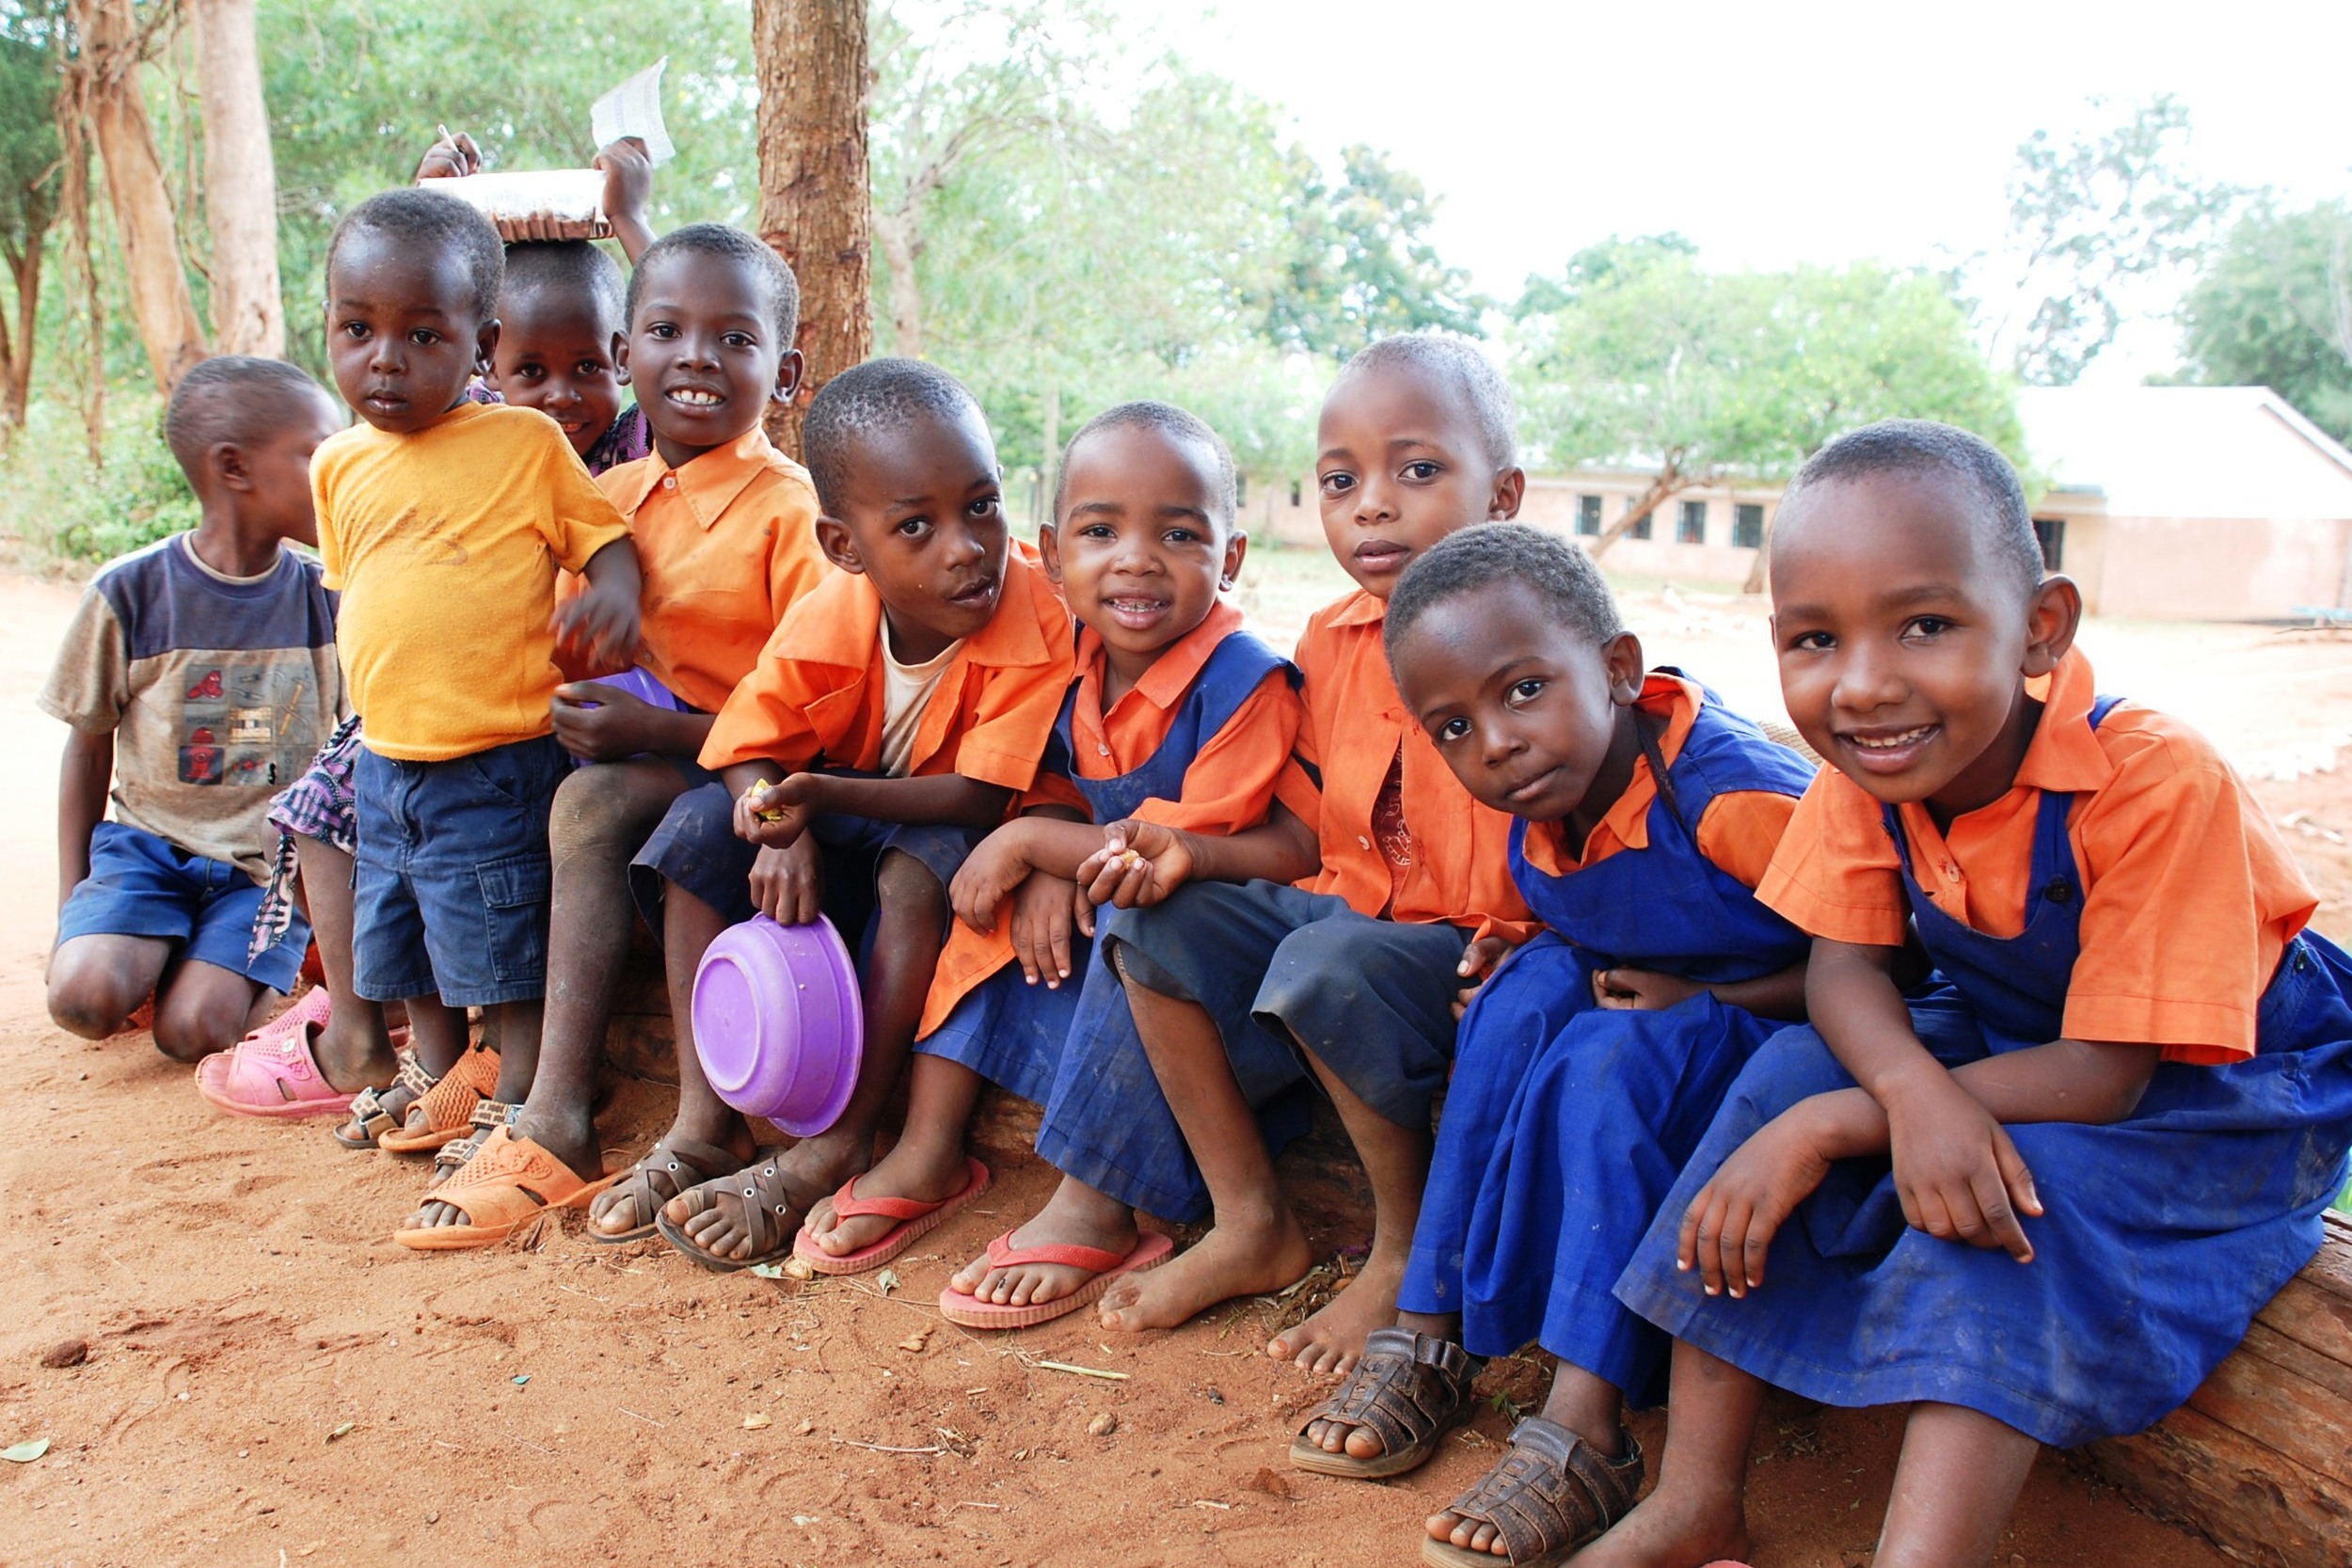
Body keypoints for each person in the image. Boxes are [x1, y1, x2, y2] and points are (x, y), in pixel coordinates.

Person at [1587, 420, 2352, 1568]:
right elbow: (1845, 964)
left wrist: (1856, 1116)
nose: (1863, 683)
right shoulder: (1874, 765)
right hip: (2020, 1033)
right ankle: (1697, 1492)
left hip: (2221, 1080)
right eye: (1814, 637)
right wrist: (1894, 1087)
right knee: (1781, 1070)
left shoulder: (2151, 780)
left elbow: (2108, 1070)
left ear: (2041, 627)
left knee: (2004, 1189)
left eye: (1926, 624)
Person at [1281, 525, 1816, 1566]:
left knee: (1610, 1059)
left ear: (1618, 667)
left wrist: (1708, 990)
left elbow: (1878, 962)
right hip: (1665, 1006)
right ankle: (1429, 1326)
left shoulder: (1738, 796)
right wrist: (1522, 945)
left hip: (1784, 1027)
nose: (1495, 742)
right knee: (1518, 997)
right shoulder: (1549, 796)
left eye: (1523, 690)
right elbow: (1595, 916)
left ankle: (1587, 1421)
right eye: (1452, 727)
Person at [1003, 335, 1535, 1371]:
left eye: (1417, 471)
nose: (1373, 504)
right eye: (1342, 481)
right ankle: (1252, 1220)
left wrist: (1538, 938)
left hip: (1471, 949)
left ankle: (1400, 1254)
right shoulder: (1330, 644)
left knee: (1324, 960)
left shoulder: (1532, 638)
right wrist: (1187, 856)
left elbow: (1580, 815)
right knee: (1150, 911)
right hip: (1346, 916)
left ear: (1503, 492)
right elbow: (1300, 837)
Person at [790, 401, 1311, 1300]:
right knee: (985, 900)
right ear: (1054, 552)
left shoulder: (1244, 683)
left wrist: (1036, 841)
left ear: (1230, 558)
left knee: (1129, 911)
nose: (1136, 558)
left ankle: (1095, 1200)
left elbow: (1180, 853)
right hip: (1107, 903)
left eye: (1179, 533)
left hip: (1218, 964)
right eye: (1101, 529)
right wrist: (1039, 845)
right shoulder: (1068, 652)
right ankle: (928, 1148)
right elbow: (1052, 774)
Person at [395, 223, 833, 1248]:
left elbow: (817, 713)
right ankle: (539, 1103)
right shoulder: (606, 497)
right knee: (554, 794)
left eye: (734, 338)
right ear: (625, 351)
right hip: (657, 757)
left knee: (648, 812)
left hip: (766, 770)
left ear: (786, 369)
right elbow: (555, 638)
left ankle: (665, 1119)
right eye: (667, 330)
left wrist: (648, 724)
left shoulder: (790, 513)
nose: (695, 356)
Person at [647, 357, 1075, 1271]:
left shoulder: (1037, 615)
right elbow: (742, 741)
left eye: (983, 506)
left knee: (924, 862)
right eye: (916, 525)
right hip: (837, 816)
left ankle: (843, 1136)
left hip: (946, 829)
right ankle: (700, 1119)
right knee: (694, 830)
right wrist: (777, 819)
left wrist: (817, 796)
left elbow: (979, 796)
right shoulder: (833, 604)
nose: (965, 546)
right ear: (846, 546)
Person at [228, 235, 655, 1138]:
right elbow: (355, 589)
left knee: (503, 945)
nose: (386, 358)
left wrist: (615, 596)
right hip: (387, 753)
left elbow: (602, 539)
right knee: (401, 929)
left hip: (496, 752)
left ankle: (512, 1104)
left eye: (424, 336)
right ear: (331, 332)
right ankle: (437, 1071)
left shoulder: (524, 443)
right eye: (358, 329)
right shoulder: (338, 463)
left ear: (481, 346)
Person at [43, 357, 345, 1070]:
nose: (337, 472)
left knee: (195, 1032)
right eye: (315, 453)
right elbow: (86, 753)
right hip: (145, 854)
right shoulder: (131, 593)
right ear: (233, 467)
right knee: (81, 997)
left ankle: (213, 963)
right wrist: (70, 907)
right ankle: (147, 939)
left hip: (262, 874)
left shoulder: (328, 599)